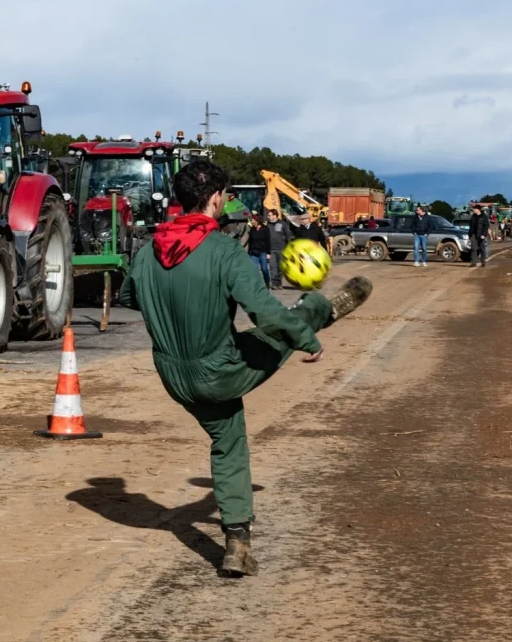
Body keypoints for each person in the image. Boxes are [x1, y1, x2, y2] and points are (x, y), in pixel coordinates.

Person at [118, 161, 372, 576]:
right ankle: (322, 311)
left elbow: (130, 296)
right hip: (220, 370)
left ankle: (238, 542)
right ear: (216, 199)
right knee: (289, 321)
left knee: (229, 439)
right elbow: (263, 311)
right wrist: (307, 340)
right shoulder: (224, 251)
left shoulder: (148, 252)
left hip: (173, 375)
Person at [265, 209, 291, 289]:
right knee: (273, 267)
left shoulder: (283, 224)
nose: (269, 217)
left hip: (281, 249)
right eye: (268, 215)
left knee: (280, 267)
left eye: (270, 215)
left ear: (275, 215)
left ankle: (279, 283)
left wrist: (289, 246)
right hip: (271, 249)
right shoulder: (267, 225)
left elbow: (288, 235)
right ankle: (273, 284)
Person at [245, 215, 272, 287]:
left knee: (264, 269)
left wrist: (268, 253)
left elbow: (268, 241)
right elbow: (250, 241)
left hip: (262, 252)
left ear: (257, 220)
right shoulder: (252, 229)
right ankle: (256, 284)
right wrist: (249, 252)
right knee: (254, 270)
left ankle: (267, 282)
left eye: (253, 220)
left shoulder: (265, 229)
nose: (252, 221)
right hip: (253, 253)